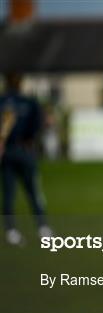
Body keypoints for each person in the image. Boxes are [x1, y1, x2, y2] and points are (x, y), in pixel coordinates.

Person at [0, 72, 52, 245]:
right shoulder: (28, 102)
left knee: (9, 193)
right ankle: (43, 228)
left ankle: (11, 231)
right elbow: (37, 126)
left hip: (7, 152)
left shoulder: (3, 102)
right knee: (33, 192)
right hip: (24, 151)